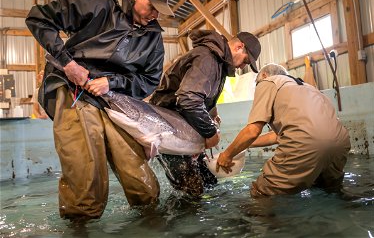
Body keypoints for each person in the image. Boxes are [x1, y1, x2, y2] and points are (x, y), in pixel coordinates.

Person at [25, 0, 174, 220]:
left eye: (160, 11)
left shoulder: (153, 38)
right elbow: (39, 18)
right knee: (86, 173)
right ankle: (80, 225)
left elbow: (149, 81)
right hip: (74, 87)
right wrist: (68, 64)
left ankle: (150, 220)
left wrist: (112, 83)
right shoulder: (100, 7)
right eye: (153, 7)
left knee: (139, 177)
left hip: (115, 99)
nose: (156, 15)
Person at [149, 29, 261, 196]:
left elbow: (202, 96)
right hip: (169, 130)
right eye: (246, 61)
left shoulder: (219, 63)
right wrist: (210, 132)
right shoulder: (207, 58)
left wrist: (212, 113)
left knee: (209, 182)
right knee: (192, 192)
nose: (242, 67)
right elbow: (188, 99)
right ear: (239, 47)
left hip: (184, 127)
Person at [216, 63, 351, 197]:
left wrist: (227, 154)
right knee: (328, 191)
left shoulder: (267, 82)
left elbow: (252, 131)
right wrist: (245, 145)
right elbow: (277, 136)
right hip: (340, 143)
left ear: (263, 75)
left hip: (305, 144)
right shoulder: (307, 87)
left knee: (261, 192)